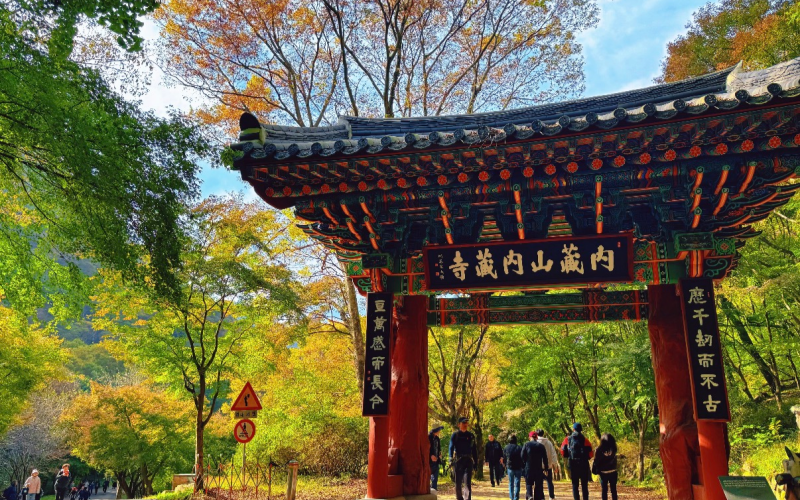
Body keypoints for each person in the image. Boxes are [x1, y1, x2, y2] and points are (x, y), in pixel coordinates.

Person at [561, 423, 594, 500]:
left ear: (573, 429)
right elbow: (591, 453)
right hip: (584, 464)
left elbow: (562, 451)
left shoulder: (567, 439)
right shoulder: (585, 440)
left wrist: (567, 456)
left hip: (573, 464)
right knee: (584, 485)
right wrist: (587, 458)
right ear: (581, 430)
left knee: (575, 485)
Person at [449, 417, 478, 500]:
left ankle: (467, 498)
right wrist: (450, 458)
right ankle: (459, 498)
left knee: (467, 484)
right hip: (458, 461)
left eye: (466, 423)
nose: (465, 424)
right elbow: (451, 447)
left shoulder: (471, 435)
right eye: (463, 423)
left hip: (468, 461)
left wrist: (476, 462)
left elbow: (474, 450)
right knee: (458, 483)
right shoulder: (455, 435)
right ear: (459, 424)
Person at [522, 431, 549, 500]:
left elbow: (522, 456)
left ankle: (530, 496)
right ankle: (537, 498)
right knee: (538, 485)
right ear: (536, 437)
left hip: (529, 468)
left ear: (529, 437)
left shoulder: (526, 445)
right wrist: (546, 468)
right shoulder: (541, 446)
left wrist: (525, 464)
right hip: (538, 468)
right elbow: (545, 458)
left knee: (529, 484)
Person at [593, 434, 618, 500]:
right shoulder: (614, 449)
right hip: (613, 471)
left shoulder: (598, 449)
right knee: (614, 490)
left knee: (604, 490)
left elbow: (596, 461)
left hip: (603, 472)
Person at [537, 430, 559, 500]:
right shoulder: (549, 443)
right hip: (548, 466)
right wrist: (555, 465)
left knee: (539, 482)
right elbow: (553, 454)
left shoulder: (536, 443)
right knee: (549, 482)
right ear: (543, 434)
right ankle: (551, 496)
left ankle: (542, 497)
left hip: (538, 466)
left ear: (537, 434)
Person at [503, 435, 524, 500]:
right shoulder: (520, 447)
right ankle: (516, 498)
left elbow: (504, 457)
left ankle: (511, 497)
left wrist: (505, 465)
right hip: (518, 467)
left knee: (511, 483)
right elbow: (522, 457)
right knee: (517, 483)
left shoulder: (506, 447)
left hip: (510, 467)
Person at [429, 425, 444, 491]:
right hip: (429, 462)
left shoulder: (437, 438)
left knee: (435, 479)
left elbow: (438, 448)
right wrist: (430, 456)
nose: (439, 431)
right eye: (438, 430)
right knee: (428, 478)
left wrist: (439, 453)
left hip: (436, 461)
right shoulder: (428, 437)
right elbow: (425, 449)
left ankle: (434, 492)